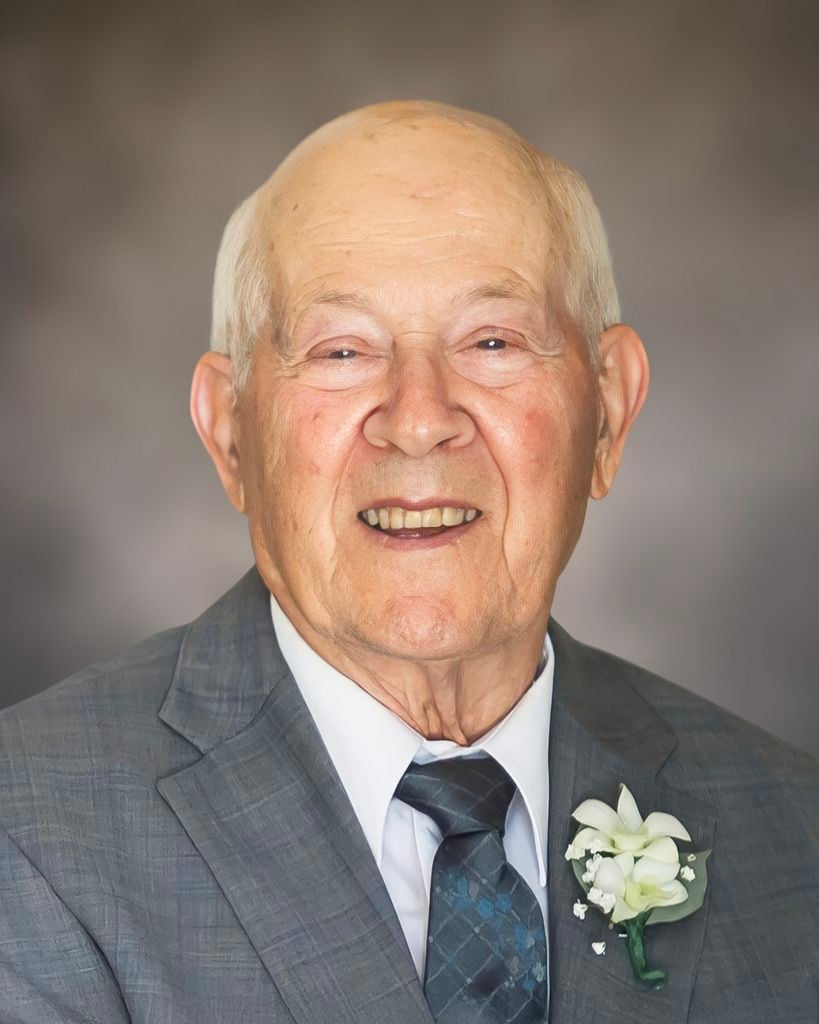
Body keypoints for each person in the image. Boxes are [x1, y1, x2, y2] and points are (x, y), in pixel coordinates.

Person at [0, 101, 816, 1024]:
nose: (419, 416)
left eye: (493, 343)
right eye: (342, 350)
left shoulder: (794, 834)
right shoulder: (26, 835)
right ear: (230, 430)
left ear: (609, 412)